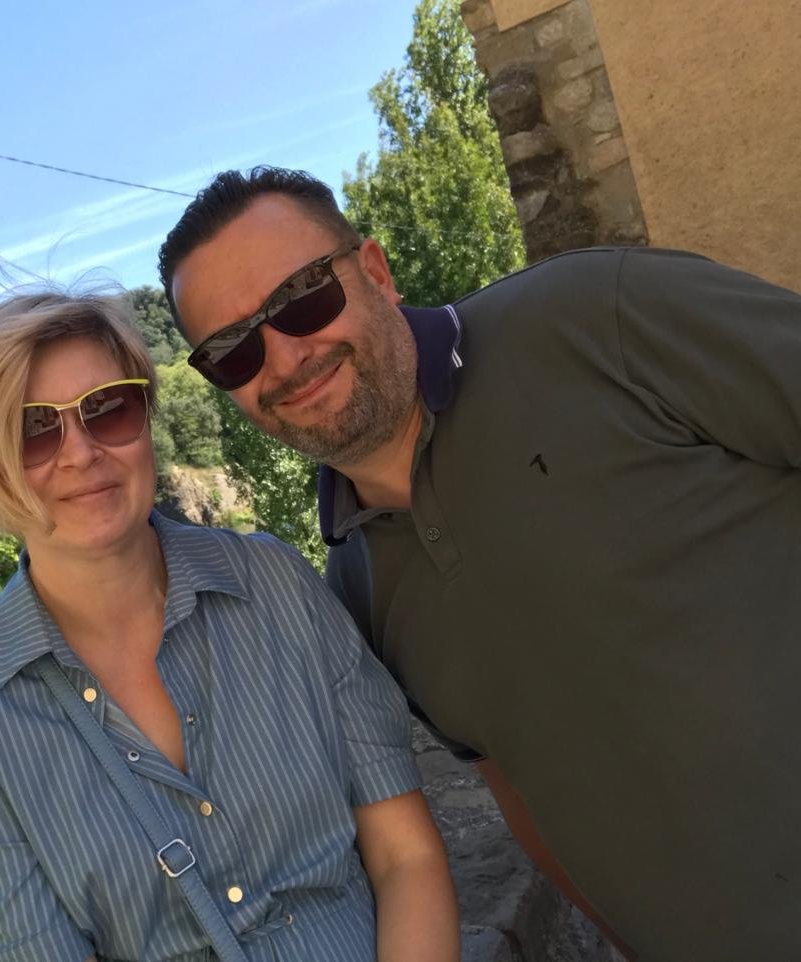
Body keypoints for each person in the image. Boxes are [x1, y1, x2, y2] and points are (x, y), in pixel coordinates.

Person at [156, 166, 801, 962]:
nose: (284, 358)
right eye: (232, 350)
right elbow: (517, 793)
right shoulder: (354, 592)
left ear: (377, 273)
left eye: (302, 298)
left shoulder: (594, 316)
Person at [0, 286, 459, 962]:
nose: (80, 452)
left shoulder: (273, 584)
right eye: (34, 428)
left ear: (146, 418)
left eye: (107, 409)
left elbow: (405, 857)